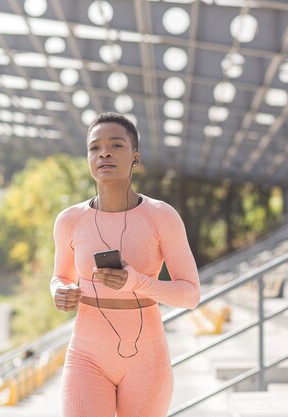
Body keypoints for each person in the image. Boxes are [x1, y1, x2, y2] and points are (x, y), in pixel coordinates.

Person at [50, 112, 200, 417]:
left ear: (135, 157)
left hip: (147, 359)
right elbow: (59, 276)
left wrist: (136, 282)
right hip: (86, 356)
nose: (104, 152)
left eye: (116, 145)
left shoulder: (161, 216)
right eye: (95, 148)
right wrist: (60, 291)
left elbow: (190, 295)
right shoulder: (69, 221)